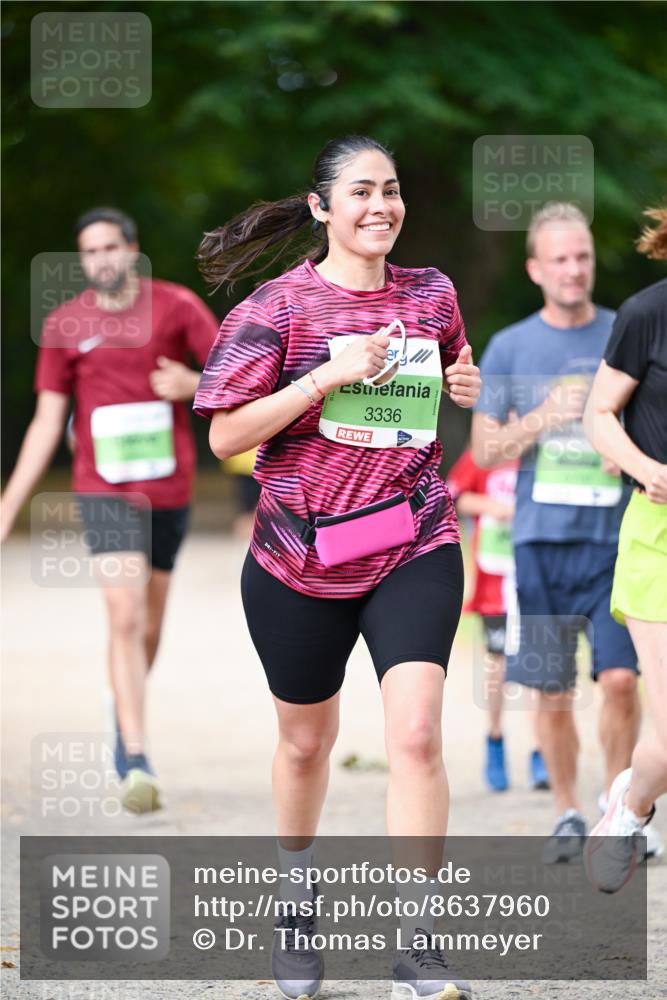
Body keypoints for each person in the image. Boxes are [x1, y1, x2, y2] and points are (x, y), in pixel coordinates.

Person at [194, 135, 480, 1000]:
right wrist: (322, 379)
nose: (380, 206)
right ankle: (295, 898)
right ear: (321, 208)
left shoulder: (431, 294)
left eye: (390, 190)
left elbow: (450, 373)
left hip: (412, 542)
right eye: (359, 192)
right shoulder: (274, 310)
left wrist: (466, 386)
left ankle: (418, 944)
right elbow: (224, 438)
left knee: (417, 736)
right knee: (305, 741)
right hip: (297, 561)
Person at [0, 207, 219, 813]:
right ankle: (135, 753)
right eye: (89, 252)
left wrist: (192, 385)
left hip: (169, 491)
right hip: (103, 490)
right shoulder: (65, 324)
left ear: (133, 249)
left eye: (109, 248)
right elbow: (48, 422)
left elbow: (237, 379)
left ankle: (121, 704)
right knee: (122, 614)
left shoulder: (176, 307)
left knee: (148, 626)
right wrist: (8, 505)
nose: (100, 260)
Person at [471, 201, 651, 864]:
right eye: (559, 260)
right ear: (534, 268)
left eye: (582, 257)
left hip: (613, 541)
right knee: (549, 688)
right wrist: (543, 417)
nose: (573, 270)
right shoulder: (511, 346)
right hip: (540, 544)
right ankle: (566, 811)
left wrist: (623, 446)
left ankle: (618, 810)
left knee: (623, 683)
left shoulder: (625, 328)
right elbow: (485, 450)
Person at [583, 206, 667, 892]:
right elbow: (598, 414)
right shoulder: (646, 313)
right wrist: (647, 469)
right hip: (658, 535)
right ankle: (630, 805)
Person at [447, 448, 549, 792]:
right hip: (495, 582)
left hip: (536, 577)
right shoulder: (484, 452)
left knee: (537, 665)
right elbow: (453, 495)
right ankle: (494, 740)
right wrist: (492, 508)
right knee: (498, 665)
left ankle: (541, 751)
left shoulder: (545, 451)